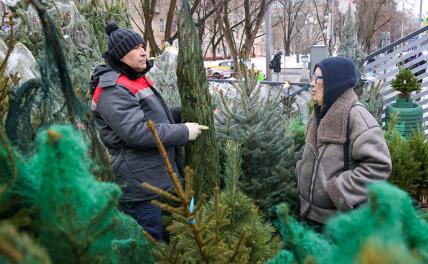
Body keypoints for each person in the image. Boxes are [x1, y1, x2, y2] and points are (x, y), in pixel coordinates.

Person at [90, 22, 207, 240]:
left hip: (156, 179)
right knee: (149, 244)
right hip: (140, 187)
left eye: (142, 46)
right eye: (135, 48)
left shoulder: (134, 78)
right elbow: (137, 132)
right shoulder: (113, 88)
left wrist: (185, 112)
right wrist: (183, 131)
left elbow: (153, 117)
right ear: (120, 55)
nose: (143, 52)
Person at [296, 56, 392, 231]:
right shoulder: (320, 112)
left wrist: (339, 190)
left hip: (337, 223)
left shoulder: (357, 117)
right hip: (310, 214)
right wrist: (301, 171)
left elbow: (380, 166)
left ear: (335, 82)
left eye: (317, 78)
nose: (312, 83)